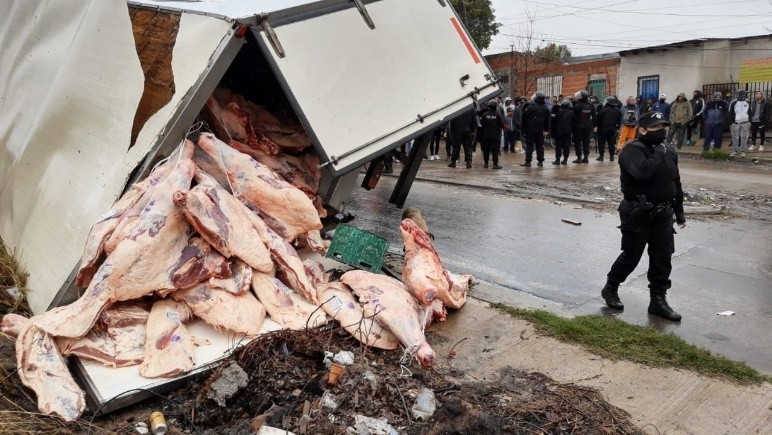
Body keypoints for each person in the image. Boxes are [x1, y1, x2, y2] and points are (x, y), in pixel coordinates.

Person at [600, 111, 686, 322]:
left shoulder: (668, 150)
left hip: (663, 213)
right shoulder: (632, 150)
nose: (661, 131)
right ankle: (611, 287)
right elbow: (641, 172)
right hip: (638, 212)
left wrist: (679, 211)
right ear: (643, 129)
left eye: (663, 127)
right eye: (656, 128)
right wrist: (658, 152)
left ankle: (658, 301)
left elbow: (675, 181)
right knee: (632, 256)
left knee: (662, 258)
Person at [520, 92, 550, 167]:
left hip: (530, 130)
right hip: (540, 130)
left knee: (529, 146)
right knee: (540, 146)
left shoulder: (530, 107)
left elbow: (524, 119)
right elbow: (547, 121)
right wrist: (546, 130)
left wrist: (523, 130)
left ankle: (528, 162)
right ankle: (540, 161)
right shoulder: (545, 108)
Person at [477, 99, 508, 169]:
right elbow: (502, 125)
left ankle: (486, 164)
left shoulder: (485, 115)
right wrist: (506, 127)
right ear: (496, 106)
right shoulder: (498, 114)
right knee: (495, 150)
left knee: (486, 150)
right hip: (495, 136)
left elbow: (480, 125)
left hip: (486, 136)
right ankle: (495, 164)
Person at [572, 90, 596, 163]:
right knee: (586, 142)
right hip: (587, 126)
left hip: (578, 127)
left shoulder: (577, 106)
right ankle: (586, 157)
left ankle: (579, 157)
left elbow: (572, 115)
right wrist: (594, 126)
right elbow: (594, 116)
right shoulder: (591, 105)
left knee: (577, 142)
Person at [596, 96, 622, 161]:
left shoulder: (603, 110)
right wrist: (618, 128)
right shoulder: (617, 111)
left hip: (602, 129)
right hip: (613, 129)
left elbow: (598, 120)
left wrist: (597, 126)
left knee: (601, 143)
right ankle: (611, 157)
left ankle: (601, 156)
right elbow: (619, 121)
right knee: (612, 143)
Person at [728, 90, 751, 157]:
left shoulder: (748, 102)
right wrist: (731, 123)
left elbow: (750, 112)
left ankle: (743, 151)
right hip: (735, 123)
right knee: (735, 138)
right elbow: (729, 113)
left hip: (745, 123)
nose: (742, 96)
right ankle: (735, 150)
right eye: (740, 95)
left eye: (743, 95)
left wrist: (749, 122)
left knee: (744, 137)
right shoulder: (733, 102)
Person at [551, 99, 574, 165]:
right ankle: (565, 160)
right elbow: (574, 122)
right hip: (568, 132)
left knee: (558, 146)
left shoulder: (558, 112)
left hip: (559, 132)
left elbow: (553, 122)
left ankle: (557, 160)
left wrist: (553, 131)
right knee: (566, 146)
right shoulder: (572, 113)